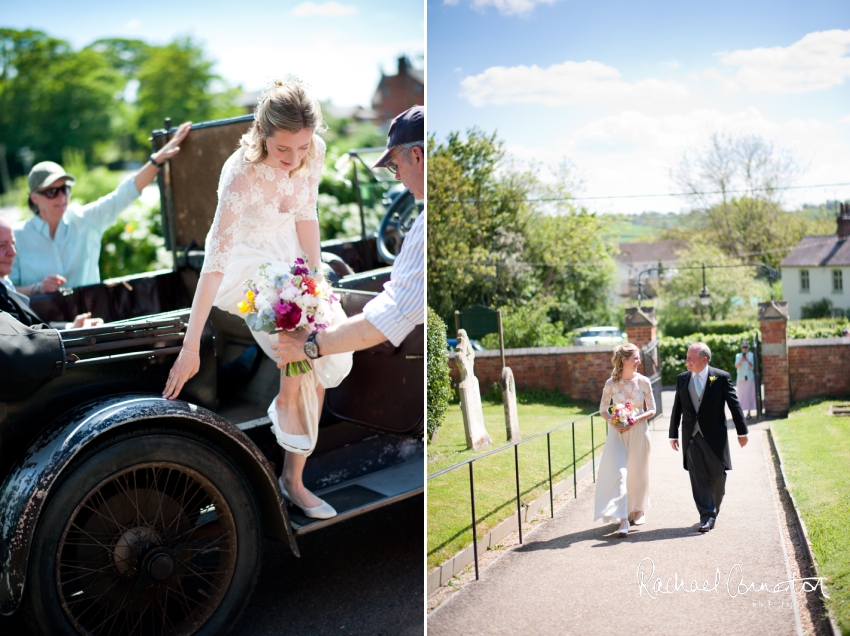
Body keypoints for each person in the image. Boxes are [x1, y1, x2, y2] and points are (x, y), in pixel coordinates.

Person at [163, 79, 352, 520]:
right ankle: (284, 404)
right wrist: (191, 347)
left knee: (323, 348)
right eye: (283, 149)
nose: (293, 160)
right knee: (292, 318)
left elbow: (307, 216)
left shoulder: (313, 153)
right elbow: (215, 259)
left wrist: (317, 280)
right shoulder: (241, 172)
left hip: (289, 255)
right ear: (261, 133)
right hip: (243, 265)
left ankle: (292, 477)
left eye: (302, 148)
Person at [270, 104, 424, 364]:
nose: (397, 176)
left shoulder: (423, 227)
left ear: (418, 157)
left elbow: (389, 316)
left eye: (395, 165)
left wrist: (309, 345)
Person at [10, 122, 192, 294]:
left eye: (65, 189)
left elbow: (124, 194)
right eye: (52, 192)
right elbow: (8, 291)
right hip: (40, 326)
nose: (62, 197)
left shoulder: (85, 219)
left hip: (89, 321)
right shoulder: (16, 237)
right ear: (34, 197)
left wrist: (158, 159)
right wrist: (38, 288)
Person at [669, 342, 748, 533]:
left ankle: (713, 508)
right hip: (691, 436)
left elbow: (734, 404)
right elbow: (677, 408)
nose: (687, 361)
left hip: (714, 437)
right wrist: (673, 433)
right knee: (698, 478)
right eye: (687, 357)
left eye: (691, 358)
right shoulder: (682, 379)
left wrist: (742, 431)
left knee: (718, 478)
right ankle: (707, 515)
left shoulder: (720, 378)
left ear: (704, 360)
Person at [593, 343, 656, 537]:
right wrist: (615, 422)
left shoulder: (644, 381)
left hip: (638, 431)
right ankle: (622, 520)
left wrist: (634, 419)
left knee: (638, 472)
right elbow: (603, 409)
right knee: (619, 473)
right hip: (617, 433)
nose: (638, 362)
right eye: (635, 358)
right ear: (624, 360)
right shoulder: (611, 384)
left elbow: (652, 409)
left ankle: (639, 509)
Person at [0, 217, 101, 329]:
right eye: (2, 245)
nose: (13, 252)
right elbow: (24, 337)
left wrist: (71, 327)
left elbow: (29, 327)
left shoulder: (5, 285)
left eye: (13, 243)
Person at [735, 340, 756, 418]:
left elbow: (752, 367)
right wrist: (741, 361)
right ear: (741, 348)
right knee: (741, 395)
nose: (745, 349)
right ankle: (741, 412)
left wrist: (747, 361)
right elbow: (736, 366)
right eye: (743, 347)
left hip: (749, 378)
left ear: (748, 348)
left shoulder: (751, 355)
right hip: (740, 378)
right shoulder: (738, 356)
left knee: (749, 395)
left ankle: (749, 412)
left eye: (746, 347)